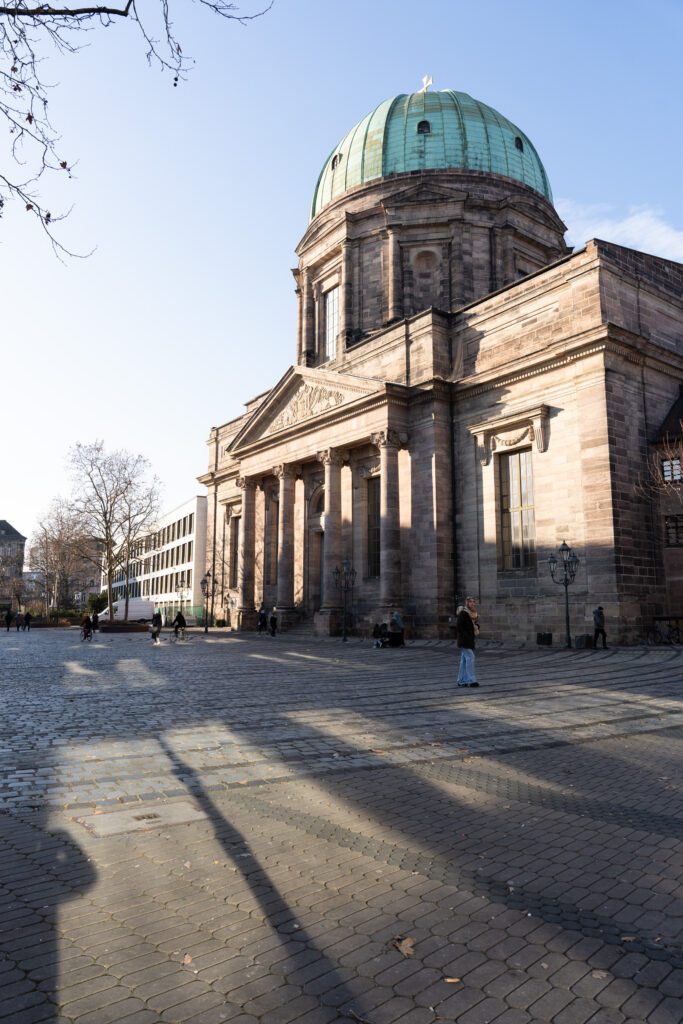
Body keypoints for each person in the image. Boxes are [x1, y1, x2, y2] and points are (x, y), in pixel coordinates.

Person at [455, 596, 479, 688]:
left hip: (469, 639)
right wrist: (467, 635)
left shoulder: (473, 614)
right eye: (470, 602)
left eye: (473, 602)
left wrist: (477, 627)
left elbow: (474, 625)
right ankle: (472, 680)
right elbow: (459, 626)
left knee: (464, 661)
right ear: (467, 603)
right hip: (465, 640)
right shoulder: (464, 613)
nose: (472, 603)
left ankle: (461, 681)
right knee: (470, 657)